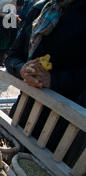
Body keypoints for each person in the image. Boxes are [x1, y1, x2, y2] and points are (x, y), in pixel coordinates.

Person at [5, 0, 86, 166]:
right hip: (26, 107)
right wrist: (21, 69)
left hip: (65, 117)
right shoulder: (40, 9)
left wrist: (53, 80)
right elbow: (13, 55)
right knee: (10, 157)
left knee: (47, 172)